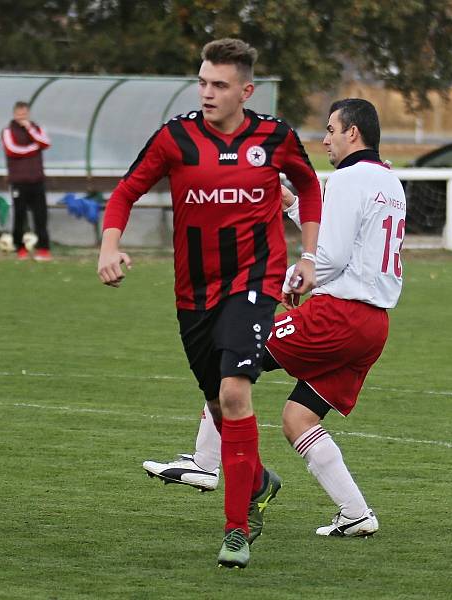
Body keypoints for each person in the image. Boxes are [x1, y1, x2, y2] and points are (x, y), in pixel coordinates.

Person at [97, 38, 322, 569]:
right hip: (193, 294)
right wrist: (109, 244)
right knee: (220, 405)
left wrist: (310, 256)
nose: (207, 93)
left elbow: (309, 189)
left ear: (246, 90)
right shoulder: (176, 138)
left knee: (235, 390)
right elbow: (125, 192)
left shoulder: (275, 136)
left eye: (219, 85)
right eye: (202, 82)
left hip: (255, 282)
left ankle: (237, 529)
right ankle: (259, 482)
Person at [143, 98, 406, 539]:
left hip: (337, 314)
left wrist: (289, 280)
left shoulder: (346, 179)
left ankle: (206, 464)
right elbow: (348, 235)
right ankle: (357, 513)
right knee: (298, 419)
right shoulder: (389, 181)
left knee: (232, 349)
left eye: (330, 129)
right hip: (372, 324)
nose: (324, 139)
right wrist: (289, 204)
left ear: (353, 133)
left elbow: (330, 255)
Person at [1, 100, 53, 261]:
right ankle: (20, 249)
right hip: (19, 181)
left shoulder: (36, 129)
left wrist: (30, 130)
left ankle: (44, 249)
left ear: (28, 114)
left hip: (37, 180)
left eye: (24, 114)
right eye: (19, 114)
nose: (22, 117)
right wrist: (34, 148)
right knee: (20, 216)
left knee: (41, 216)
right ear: (14, 114)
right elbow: (12, 150)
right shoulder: (8, 131)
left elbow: (45, 142)